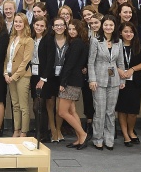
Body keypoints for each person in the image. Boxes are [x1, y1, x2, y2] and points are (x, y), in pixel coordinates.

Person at [88, 15, 125, 150]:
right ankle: (98, 138)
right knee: (99, 111)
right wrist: (92, 79)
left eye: (111, 25)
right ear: (102, 26)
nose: (108, 27)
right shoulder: (95, 40)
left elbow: (120, 62)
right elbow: (91, 62)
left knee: (110, 111)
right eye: (106, 25)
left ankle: (109, 138)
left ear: (115, 27)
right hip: (98, 80)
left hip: (114, 80)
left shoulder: (118, 42)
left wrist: (123, 80)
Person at [57, 20, 89, 149]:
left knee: (62, 112)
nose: (71, 31)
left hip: (70, 81)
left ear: (80, 29)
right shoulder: (81, 42)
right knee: (72, 110)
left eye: (74, 29)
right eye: (69, 29)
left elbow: (69, 65)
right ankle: (79, 137)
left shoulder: (76, 43)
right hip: (75, 80)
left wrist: (62, 82)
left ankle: (83, 134)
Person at [115, 22, 141, 146]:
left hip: (134, 81)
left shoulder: (139, 45)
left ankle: (131, 130)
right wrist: (119, 71)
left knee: (133, 111)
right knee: (122, 109)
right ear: (120, 33)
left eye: (131, 32)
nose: (128, 34)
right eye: (125, 31)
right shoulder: (116, 45)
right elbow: (111, 60)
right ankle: (125, 134)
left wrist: (132, 69)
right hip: (119, 81)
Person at [37, 17, 66, 142]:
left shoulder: (70, 40)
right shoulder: (48, 40)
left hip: (64, 76)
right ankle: (53, 130)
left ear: (65, 26)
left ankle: (59, 130)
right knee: (50, 104)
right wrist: (43, 77)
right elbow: (44, 60)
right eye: (56, 25)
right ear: (52, 27)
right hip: (50, 75)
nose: (59, 27)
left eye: (61, 25)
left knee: (61, 106)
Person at [4, 13, 33, 138]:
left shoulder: (29, 40)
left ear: (25, 23)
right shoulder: (12, 38)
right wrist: (5, 72)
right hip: (9, 75)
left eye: (20, 22)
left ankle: (24, 132)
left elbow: (25, 61)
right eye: (16, 21)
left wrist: (14, 76)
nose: (17, 24)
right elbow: (7, 58)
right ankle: (16, 130)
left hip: (22, 76)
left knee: (23, 106)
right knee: (15, 105)